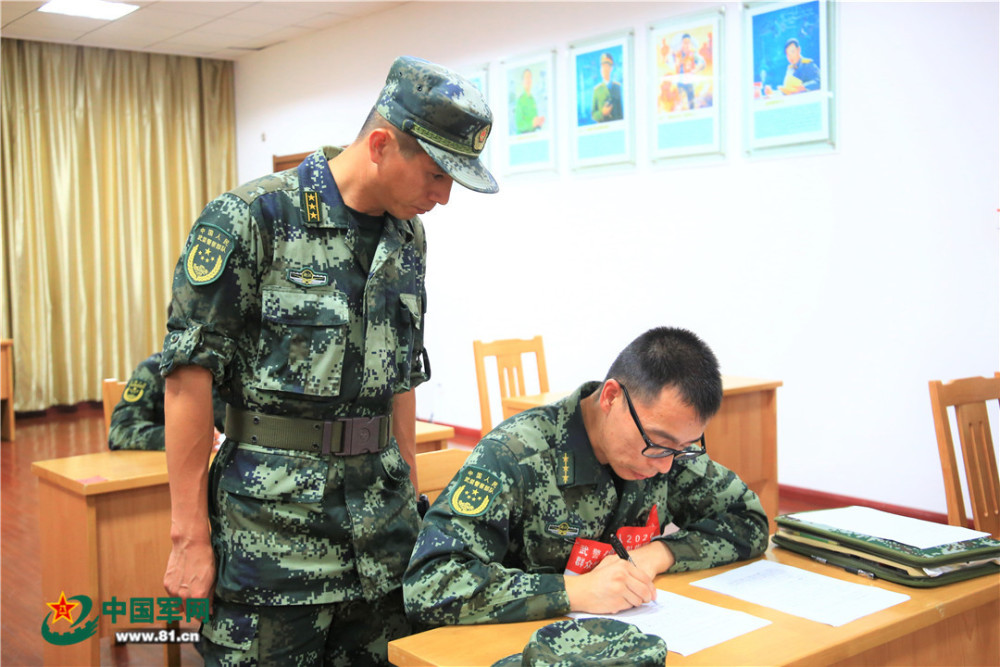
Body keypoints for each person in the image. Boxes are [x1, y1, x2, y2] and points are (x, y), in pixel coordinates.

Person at [159, 55, 497, 665]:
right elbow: (187, 382)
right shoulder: (252, 218)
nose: (444, 197)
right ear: (380, 144)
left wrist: (410, 498)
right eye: (436, 174)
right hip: (271, 541)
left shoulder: (407, 236)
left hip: (381, 540)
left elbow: (400, 378)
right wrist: (189, 537)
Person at [403, 327, 768, 626]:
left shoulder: (664, 451)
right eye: (658, 444)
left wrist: (658, 554)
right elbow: (431, 584)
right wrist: (573, 591)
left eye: (683, 448)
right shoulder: (515, 455)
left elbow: (749, 519)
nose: (666, 466)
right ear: (611, 398)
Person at [107, 351, 225, 451]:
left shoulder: (233, 370)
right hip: (167, 467)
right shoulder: (154, 370)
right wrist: (183, 437)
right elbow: (120, 432)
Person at [590, 53, 623, 122]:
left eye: (607, 66)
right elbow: (593, 114)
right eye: (602, 66)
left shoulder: (618, 87)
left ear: (611, 68)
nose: (604, 69)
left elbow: (622, 112)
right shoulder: (597, 90)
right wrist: (602, 113)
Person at [514, 68, 545, 134]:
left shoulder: (532, 100)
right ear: (522, 81)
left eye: (530, 77)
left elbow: (535, 120)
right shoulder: (520, 101)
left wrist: (539, 123)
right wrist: (532, 123)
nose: (528, 80)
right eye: (526, 77)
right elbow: (519, 125)